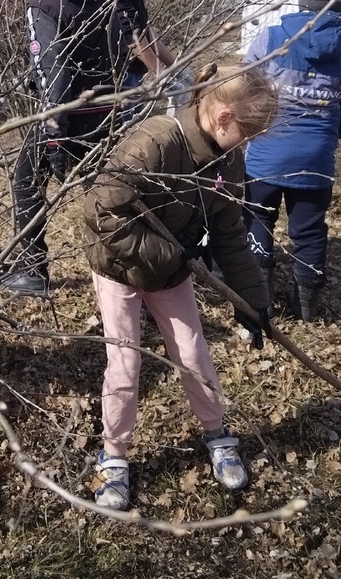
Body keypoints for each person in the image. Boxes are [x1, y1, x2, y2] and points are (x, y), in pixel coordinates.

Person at [81, 61, 277, 510]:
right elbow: (100, 213)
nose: (247, 144)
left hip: (171, 270)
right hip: (118, 267)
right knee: (126, 363)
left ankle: (217, 433)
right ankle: (113, 456)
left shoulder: (228, 158)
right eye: (247, 133)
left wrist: (252, 300)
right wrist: (172, 255)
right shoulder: (155, 141)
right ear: (224, 117)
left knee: (192, 353)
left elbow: (230, 231)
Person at [241, 0, 341, 322]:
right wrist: (329, 134)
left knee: (258, 218)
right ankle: (307, 306)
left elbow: (244, 85)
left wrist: (252, 129)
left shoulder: (273, 37)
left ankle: (258, 296)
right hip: (316, 158)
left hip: (267, 153)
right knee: (309, 230)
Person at [0, 0, 115, 297]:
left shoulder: (43, 6)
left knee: (26, 182)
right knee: (104, 196)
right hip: (104, 104)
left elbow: (54, 72)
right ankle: (124, 275)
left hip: (67, 113)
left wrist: (54, 135)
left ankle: (33, 270)